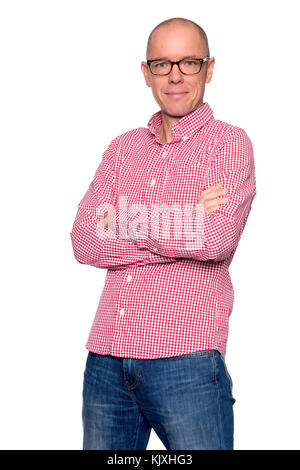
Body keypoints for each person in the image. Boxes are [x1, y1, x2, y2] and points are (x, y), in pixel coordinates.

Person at [70, 17, 257, 450]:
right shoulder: (123, 148)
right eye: (162, 64)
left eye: (188, 62)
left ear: (208, 69)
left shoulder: (228, 144)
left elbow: (216, 240)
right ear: (145, 72)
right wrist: (184, 216)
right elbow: (84, 240)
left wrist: (125, 220)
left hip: (186, 358)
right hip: (107, 358)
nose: (175, 75)